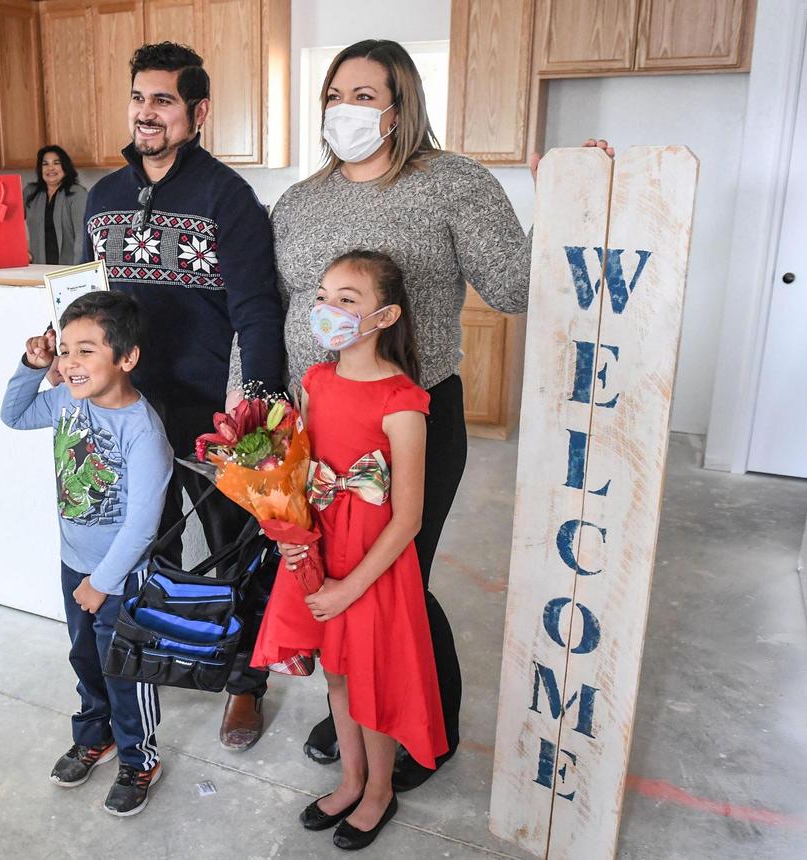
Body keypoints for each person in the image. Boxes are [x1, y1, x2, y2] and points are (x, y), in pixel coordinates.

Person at [270, 38, 614, 791]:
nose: (344, 109)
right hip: (319, 423)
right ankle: (358, 712)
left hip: (407, 421)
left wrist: (572, 196)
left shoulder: (452, 183)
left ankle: (428, 731)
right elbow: (275, 307)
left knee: (396, 582)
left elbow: (516, 289)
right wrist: (255, 403)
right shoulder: (299, 200)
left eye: (364, 95)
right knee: (331, 575)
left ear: (401, 106)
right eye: (334, 94)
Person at [79, 41, 285, 751]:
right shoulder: (104, 198)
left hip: (212, 412)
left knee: (237, 551)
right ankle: (166, 651)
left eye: (162, 100)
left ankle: (245, 685)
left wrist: (257, 411)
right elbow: (93, 306)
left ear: (196, 111)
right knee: (147, 544)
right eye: (139, 97)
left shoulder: (229, 200)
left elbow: (258, 309)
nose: (146, 113)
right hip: (129, 411)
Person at [252, 249, 446, 850]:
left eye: (347, 300)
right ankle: (351, 776)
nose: (327, 309)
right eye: (323, 296)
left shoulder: (402, 400)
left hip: (371, 565)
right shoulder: (314, 380)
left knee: (371, 677)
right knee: (335, 673)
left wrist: (349, 586)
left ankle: (381, 790)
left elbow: (408, 516)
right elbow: (302, 468)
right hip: (323, 548)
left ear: (384, 316)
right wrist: (290, 532)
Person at [1, 291, 173, 817]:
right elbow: (14, 415)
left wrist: (103, 583)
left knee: (124, 671)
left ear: (126, 358)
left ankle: (139, 758)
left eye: (87, 351)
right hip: (73, 562)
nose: (71, 363)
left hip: (120, 578)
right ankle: (92, 736)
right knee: (85, 659)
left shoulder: (143, 431)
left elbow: (142, 526)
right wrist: (32, 367)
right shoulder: (65, 400)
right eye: (66, 350)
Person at [25, 146, 88, 265]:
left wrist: (78, 270)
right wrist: (20, 251)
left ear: (65, 166)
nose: (50, 168)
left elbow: (82, 236)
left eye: (56, 163)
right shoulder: (31, 193)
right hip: (37, 267)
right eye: (45, 164)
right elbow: (10, 224)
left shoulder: (77, 194)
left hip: (68, 269)